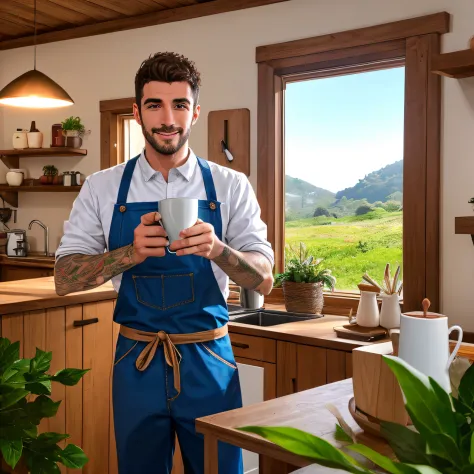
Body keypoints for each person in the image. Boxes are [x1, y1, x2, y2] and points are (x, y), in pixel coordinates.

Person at [54, 51, 274, 474]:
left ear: (195, 113)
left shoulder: (230, 185)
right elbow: (64, 278)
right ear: (137, 112)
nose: (167, 118)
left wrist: (219, 250)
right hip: (135, 361)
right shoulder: (103, 187)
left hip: (210, 359)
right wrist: (128, 254)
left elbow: (265, 279)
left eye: (179, 105)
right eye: (155, 105)